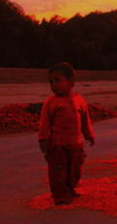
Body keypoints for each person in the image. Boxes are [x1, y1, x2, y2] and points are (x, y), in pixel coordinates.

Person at [38, 62, 95, 205]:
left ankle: (70, 189)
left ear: (71, 81)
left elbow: (84, 120)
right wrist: (43, 140)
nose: (54, 85)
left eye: (58, 80)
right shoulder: (50, 103)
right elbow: (44, 123)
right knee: (58, 171)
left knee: (74, 171)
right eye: (51, 82)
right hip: (57, 145)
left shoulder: (79, 100)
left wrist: (89, 135)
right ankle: (60, 195)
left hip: (76, 144)